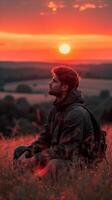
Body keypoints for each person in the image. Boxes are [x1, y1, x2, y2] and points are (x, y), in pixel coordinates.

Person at [14, 66, 95, 179]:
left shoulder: (76, 113)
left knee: (54, 164)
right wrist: (28, 152)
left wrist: (35, 159)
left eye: (54, 81)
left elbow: (65, 150)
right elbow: (45, 138)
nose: (49, 83)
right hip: (57, 157)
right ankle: (23, 183)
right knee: (20, 151)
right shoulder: (57, 109)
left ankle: (41, 189)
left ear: (65, 87)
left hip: (79, 164)